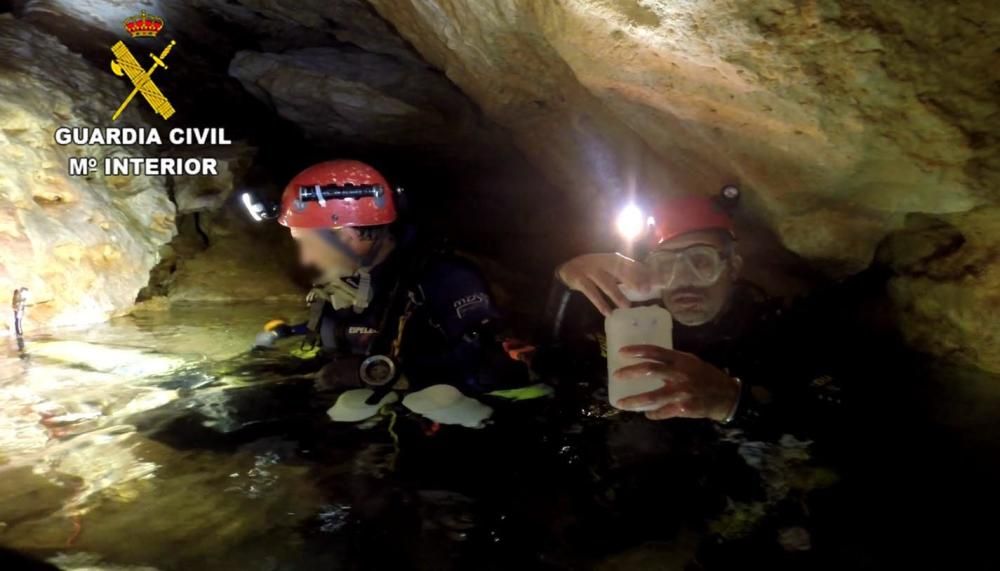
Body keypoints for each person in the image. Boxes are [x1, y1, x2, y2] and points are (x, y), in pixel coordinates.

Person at [542, 192, 847, 433]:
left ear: (733, 268)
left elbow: (844, 426)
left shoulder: (779, 330)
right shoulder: (630, 326)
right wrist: (565, 280)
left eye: (701, 262)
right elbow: (553, 368)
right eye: (667, 266)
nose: (683, 280)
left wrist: (732, 402)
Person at [256, 159, 529, 395]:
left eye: (309, 243)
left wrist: (390, 376)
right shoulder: (347, 281)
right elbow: (352, 325)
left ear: (346, 234)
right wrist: (290, 332)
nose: (306, 258)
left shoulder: (446, 279)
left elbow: (493, 369)